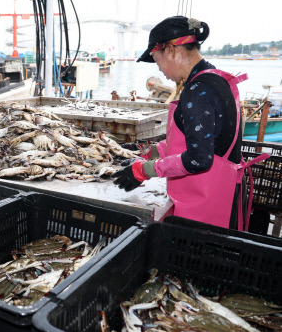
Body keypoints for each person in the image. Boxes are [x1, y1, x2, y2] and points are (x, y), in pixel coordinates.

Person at [111, 16, 268, 230]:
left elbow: (199, 159)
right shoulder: (216, 78)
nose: (159, 70)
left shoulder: (198, 91)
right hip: (223, 196)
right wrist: (152, 150)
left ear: (170, 49)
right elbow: (201, 140)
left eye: (157, 61)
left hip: (205, 213)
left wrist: (144, 170)